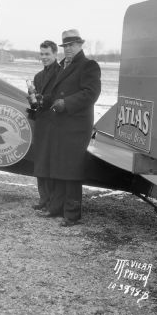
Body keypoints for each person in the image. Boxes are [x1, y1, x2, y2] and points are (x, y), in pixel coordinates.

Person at [34, 29, 101, 227]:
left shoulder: (88, 65)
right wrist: (42, 100)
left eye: (72, 45)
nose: (68, 49)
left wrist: (67, 103)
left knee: (71, 170)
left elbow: (91, 93)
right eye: (66, 46)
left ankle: (72, 215)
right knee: (59, 167)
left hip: (76, 126)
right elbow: (54, 95)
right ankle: (56, 209)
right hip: (61, 124)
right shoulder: (63, 66)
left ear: (80, 45)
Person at [27, 40, 62, 212]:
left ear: (55, 54)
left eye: (47, 54)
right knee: (40, 161)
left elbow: (56, 97)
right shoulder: (38, 76)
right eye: (42, 54)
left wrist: (41, 99)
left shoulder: (62, 73)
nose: (44, 57)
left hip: (55, 122)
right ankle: (43, 198)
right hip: (41, 122)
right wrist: (32, 100)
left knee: (51, 162)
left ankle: (53, 201)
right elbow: (36, 104)